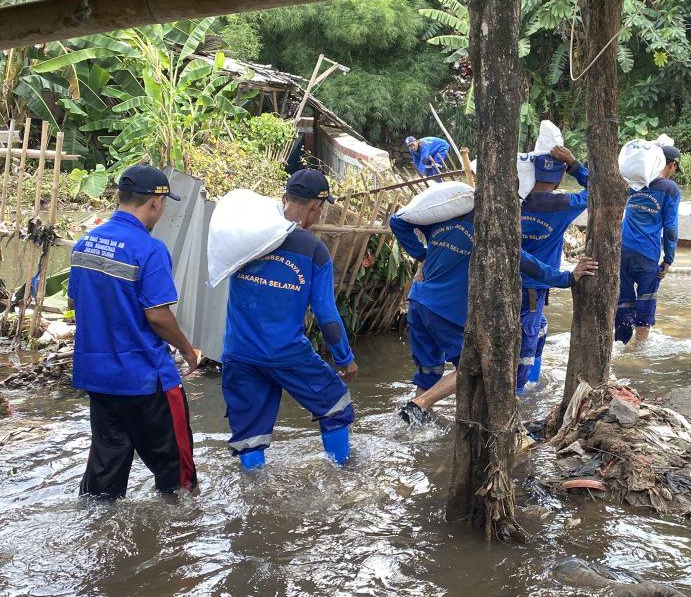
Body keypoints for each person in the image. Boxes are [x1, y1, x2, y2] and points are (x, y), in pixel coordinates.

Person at [390, 205, 597, 424]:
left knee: (428, 368)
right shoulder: (491, 235)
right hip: (447, 312)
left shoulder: (442, 221)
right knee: (475, 363)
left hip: (418, 302)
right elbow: (532, 266)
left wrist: (421, 255)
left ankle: (414, 422)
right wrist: (568, 278)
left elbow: (397, 222)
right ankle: (420, 405)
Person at [68, 165, 200, 500]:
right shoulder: (149, 249)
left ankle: (99, 538)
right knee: (178, 478)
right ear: (155, 203)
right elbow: (157, 316)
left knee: (104, 476)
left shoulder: (85, 243)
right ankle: (180, 542)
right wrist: (186, 348)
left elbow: (76, 299)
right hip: (146, 379)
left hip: (98, 378)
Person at [220, 169, 359, 469]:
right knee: (336, 406)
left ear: (284, 198)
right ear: (315, 207)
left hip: (238, 354)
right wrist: (344, 357)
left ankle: (255, 498)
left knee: (249, 434)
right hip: (286, 353)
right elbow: (326, 314)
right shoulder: (314, 251)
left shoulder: (245, 238)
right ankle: (344, 481)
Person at [519, 145, 588, 391]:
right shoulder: (563, 204)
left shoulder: (514, 201)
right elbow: (600, 191)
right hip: (533, 288)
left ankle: (532, 384)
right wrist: (575, 165)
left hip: (506, 282)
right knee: (526, 343)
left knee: (538, 329)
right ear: (559, 179)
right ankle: (520, 393)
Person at [616, 144, 681, 346]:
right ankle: (639, 352)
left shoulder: (633, 183)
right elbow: (670, 229)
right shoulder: (670, 188)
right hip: (647, 255)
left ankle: (620, 347)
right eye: (675, 169)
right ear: (671, 165)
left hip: (622, 250)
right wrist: (668, 260)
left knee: (624, 301)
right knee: (646, 302)